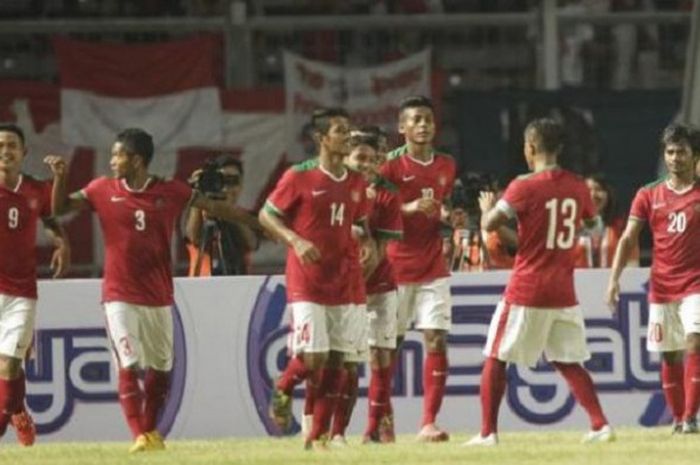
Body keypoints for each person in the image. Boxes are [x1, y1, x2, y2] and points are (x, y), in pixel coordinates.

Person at [47, 128, 253, 453]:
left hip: (158, 296)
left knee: (161, 370)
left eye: (118, 155)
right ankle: (140, 434)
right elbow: (59, 209)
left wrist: (270, 227)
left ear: (137, 159)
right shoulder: (102, 189)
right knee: (129, 364)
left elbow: (219, 210)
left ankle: (151, 432)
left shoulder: (170, 190)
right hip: (119, 294)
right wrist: (60, 177)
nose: (112, 161)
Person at [467, 118, 614, 446]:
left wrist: (487, 209)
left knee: (495, 355)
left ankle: (488, 433)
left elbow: (491, 223)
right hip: (563, 288)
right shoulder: (578, 185)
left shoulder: (522, 185)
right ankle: (600, 424)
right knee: (566, 359)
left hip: (528, 286)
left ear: (529, 147)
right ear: (560, 148)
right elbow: (595, 227)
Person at [260, 108, 370, 450]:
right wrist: (295, 239)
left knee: (337, 360)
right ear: (321, 139)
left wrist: (360, 241)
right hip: (307, 281)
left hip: (343, 282)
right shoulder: (299, 176)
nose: (348, 135)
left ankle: (317, 437)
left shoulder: (355, 182)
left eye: (349, 129)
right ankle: (283, 387)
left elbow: (354, 223)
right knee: (313, 358)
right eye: (340, 130)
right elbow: (266, 215)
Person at [606, 123, 700, 434]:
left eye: (682, 152)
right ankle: (677, 420)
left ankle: (690, 417)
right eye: (670, 152)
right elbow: (628, 237)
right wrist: (614, 279)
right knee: (669, 353)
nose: (675, 158)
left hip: (695, 284)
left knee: (694, 343)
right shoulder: (648, 194)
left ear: (695, 156)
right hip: (661, 286)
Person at [380, 95, 456, 441]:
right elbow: (373, 210)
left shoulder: (446, 165)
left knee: (436, 338)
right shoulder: (388, 166)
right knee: (389, 345)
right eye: (415, 120)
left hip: (433, 265)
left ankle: (428, 423)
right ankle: (382, 417)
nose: (423, 125)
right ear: (402, 128)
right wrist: (407, 208)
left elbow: (443, 208)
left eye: (428, 118)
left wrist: (449, 217)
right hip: (395, 267)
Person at [0, 123, 70, 447]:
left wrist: (61, 244)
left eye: (12, 145)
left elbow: (52, 219)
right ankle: (18, 410)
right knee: (6, 371)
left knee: (10, 363)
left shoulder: (34, 189)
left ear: (24, 153)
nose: (5, 151)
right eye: (0, 145)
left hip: (21, 292)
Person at [185, 155, 259, 276]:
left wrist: (228, 211)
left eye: (233, 181)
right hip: (202, 287)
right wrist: (198, 197)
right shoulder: (196, 211)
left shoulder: (245, 216)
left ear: (241, 186)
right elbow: (193, 238)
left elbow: (252, 243)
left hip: (238, 286)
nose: (226, 188)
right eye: (222, 180)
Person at [574, 173, 639, 268]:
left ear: (608, 194)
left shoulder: (623, 228)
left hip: (613, 282)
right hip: (577, 282)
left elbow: (632, 267)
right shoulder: (571, 228)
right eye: (587, 190)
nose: (592, 195)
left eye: (598, 189)